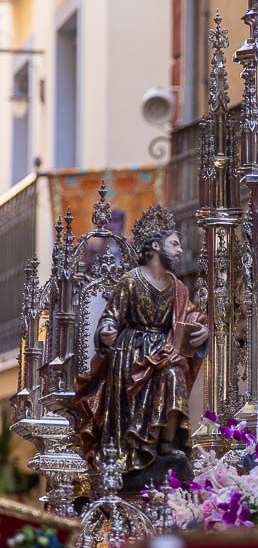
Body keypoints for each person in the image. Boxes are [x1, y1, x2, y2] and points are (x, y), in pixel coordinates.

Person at [76, 206, 209, 487]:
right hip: (132, 355)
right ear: (156, 246)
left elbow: (191, 315)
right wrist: (107, 331)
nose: (180, 251)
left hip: (165, 351)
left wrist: (202, 329)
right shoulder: (131, 281)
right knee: (154, 377)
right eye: (175, 244)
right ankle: (131, 446)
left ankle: (166, 445)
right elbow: (111, 316)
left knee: (174, 375)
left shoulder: (178, 287)